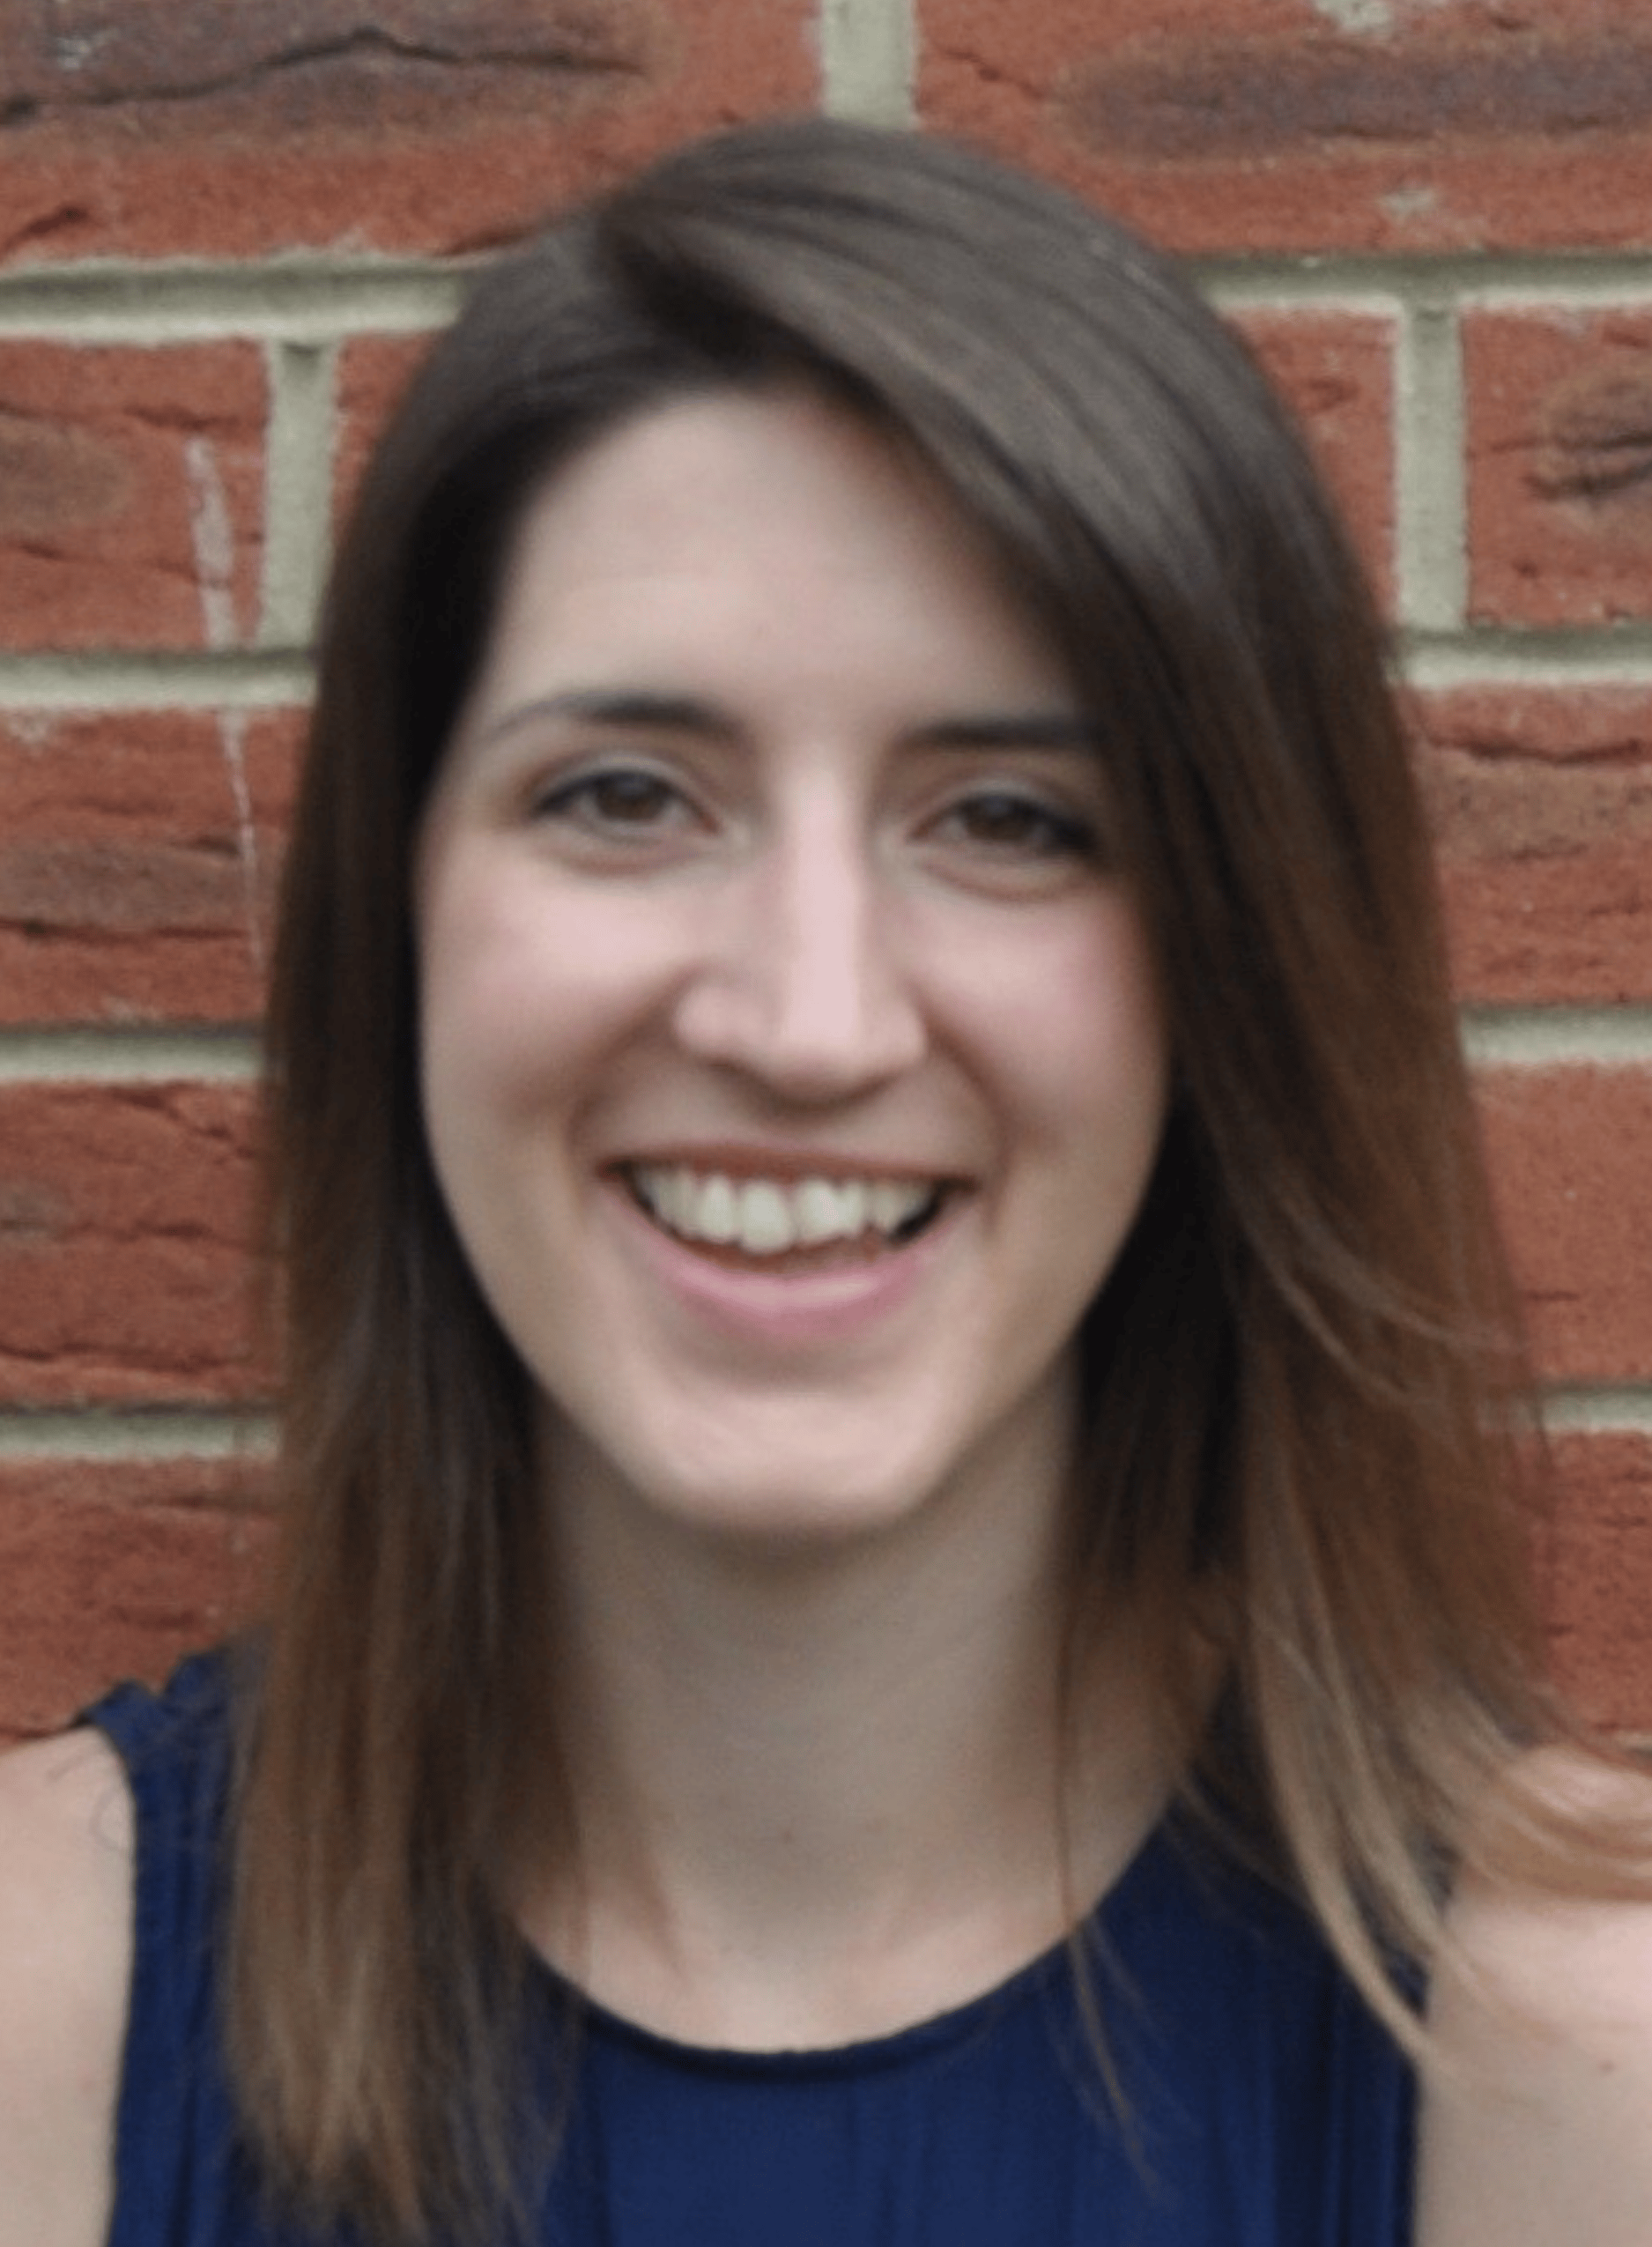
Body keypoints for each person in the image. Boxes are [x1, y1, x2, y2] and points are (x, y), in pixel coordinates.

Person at [2, 115, 1650, 2247]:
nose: (808, 1023)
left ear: (1228, 964)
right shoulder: (45, 2016)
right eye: (621, 793)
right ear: (397, 918)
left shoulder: (1575, 2061)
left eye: (1010, 818)